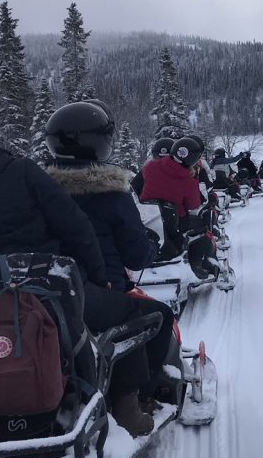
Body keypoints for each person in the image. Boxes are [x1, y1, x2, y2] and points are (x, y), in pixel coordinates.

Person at [0, 99, 155, 436]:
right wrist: (97, 279)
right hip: (42, 286)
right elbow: (75, 228)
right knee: (128, 313)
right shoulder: (19, 170)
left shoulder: (25, 169)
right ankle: (127, 409)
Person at [44, 100, 174, 429]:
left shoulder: (40, 190)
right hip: (102, 289)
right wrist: (150, 246)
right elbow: (135, 255)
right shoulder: (113, 193)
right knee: (157, 315)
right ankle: (135, 399)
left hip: (49, 291)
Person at [139, 137, 219, 278]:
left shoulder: (150, 167)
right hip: (174, 222)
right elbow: (193, 205)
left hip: (148, 217)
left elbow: (137, 185)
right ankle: (199, 263)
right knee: (202, 226)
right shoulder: (188, 179)